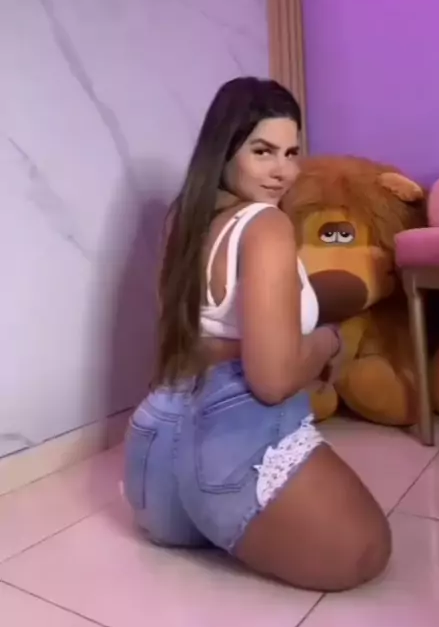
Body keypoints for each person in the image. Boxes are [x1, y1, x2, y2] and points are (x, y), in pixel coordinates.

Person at [123, 76, 391, 591]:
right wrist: (329, 342)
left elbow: (188, 339)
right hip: (226, 449)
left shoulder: (185, 218)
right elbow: (271, 380)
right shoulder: (265, 225)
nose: (283, 171)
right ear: (224, 150)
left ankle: (216, 522)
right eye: (263, 151)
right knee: (367, 550)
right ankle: (226, 516)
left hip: (153, 465)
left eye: (292, 153)